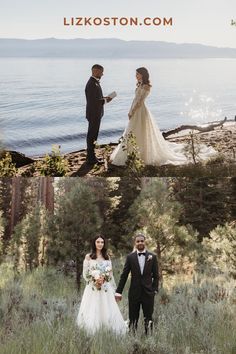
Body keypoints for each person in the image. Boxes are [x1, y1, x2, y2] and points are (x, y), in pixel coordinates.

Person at [110, 67, 217, 166]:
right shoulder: (139, 85)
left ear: (142, 75)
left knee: (139, 131)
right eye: (136, 74)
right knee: (132, 131)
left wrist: (132, 111)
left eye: (137, 74)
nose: (136, 76)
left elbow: (140, 101)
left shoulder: (147, 86)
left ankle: (141, 154)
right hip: (134, 109)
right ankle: (131, 153)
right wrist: (130, 110)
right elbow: (135, 100)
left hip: (140, 110)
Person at [77, 235, 127, 335]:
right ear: (94, 243)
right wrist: (94, 280)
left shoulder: (107, 257)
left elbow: (111, 275)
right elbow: (85, 273)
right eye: (98, 242)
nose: (100, 244)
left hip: (105, 288)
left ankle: (107, 330)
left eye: (102, 242)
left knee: (106, 308)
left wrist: (113, 289)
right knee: (92, 308)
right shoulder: (88, 257)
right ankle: (91, 331)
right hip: (92, 288)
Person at [115, 233, 159, 334]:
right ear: (135, 243)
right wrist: (118, 291)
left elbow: (156, 276)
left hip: (148, 293)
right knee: (133, 318)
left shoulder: (152, 257)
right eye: (138, 241)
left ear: (145, 242)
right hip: (134, 293)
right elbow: (124, 275)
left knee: (148, 318)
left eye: (142, 241)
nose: (140, 243)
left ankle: (149, 338)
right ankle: (132, 338)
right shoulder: (130, 257)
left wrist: (154, 289)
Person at [85, 64, 112, 165]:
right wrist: (105, 100)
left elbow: (96, 97)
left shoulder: (94, 82)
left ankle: (90, 156)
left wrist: (104, 98)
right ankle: (91, 158)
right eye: (101, 72)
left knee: (93, 135)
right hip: (93, 113)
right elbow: (94, 102)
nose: (103, 74)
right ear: (95, 71)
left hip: (95, 113)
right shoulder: (92, 83)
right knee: (92, 135)